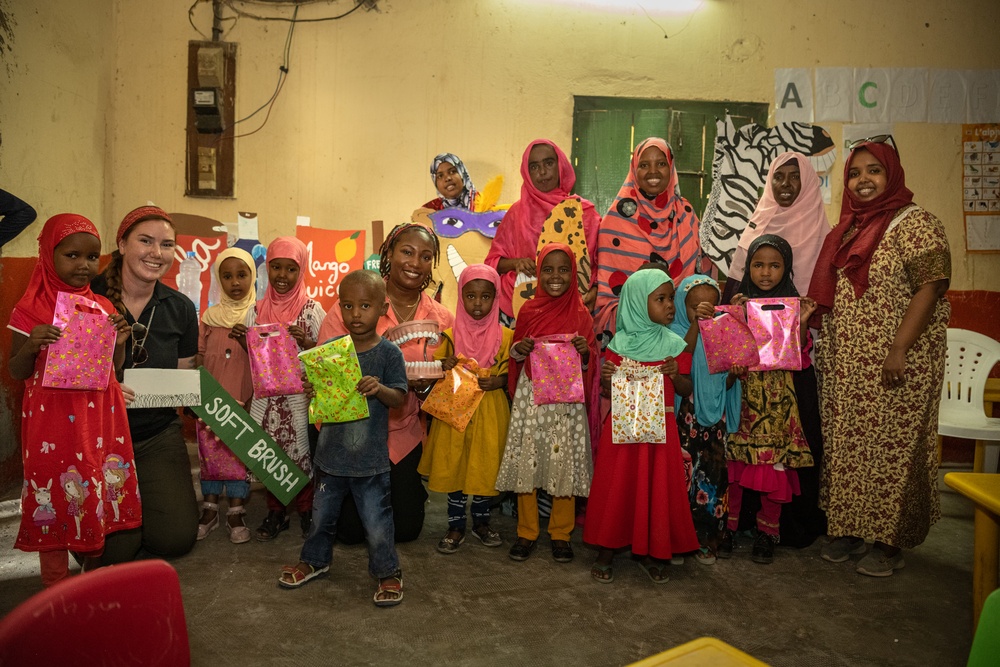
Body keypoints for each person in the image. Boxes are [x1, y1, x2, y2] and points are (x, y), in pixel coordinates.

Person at [809, 138, 950, 577]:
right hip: (847, 363)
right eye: (855, 173)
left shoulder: (918, 224)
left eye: (874, 171)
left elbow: (931, 287)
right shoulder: (848, 227)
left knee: (893, 447)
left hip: (897, 362)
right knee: (849, 445)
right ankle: (850, 529)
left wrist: (898, 348)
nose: (863, 180)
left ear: (892, 175)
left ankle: (890, 542)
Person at [8, 214, 140, 586]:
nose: (84, 265)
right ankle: (56, 586)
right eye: (72, 255)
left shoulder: (103, 306)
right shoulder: (30, 309)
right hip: (51, 424)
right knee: (54, 492)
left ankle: (89, 579)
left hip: (97, 421)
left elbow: (113, 369)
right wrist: (32, 345)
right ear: (50, 256)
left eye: (92, 257)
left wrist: (121, 341)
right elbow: (17, 371)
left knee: (95, 486)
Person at [278, 271, 408, 606]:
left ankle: (388, 571)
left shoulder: (389, 354)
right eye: (348, 305)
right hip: (330, 457)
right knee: (321, 517)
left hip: (370, 462)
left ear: (383, 307)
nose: (355, 314)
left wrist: (379, 388)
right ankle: (315, 561)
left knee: (377, 523)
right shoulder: (329, 351)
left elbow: (400, 399)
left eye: (365, 305)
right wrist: (312, 390)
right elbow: (320, 399)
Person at [318, 222, 454, 543]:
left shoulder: (443, 318)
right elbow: (326, 370)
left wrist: (430, 388)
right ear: (389, 253)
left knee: (406, 530)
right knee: (349, 533)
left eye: (425, 256)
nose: (414, 263)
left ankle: (401, 492)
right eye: (407, 252)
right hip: (354, 430)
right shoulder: (353, 303)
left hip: (404, 433)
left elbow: (453, 380)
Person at [92, 205, 200, 564]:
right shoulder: (86, 298)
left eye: (167, 245)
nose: (157, 253)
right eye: (145, 241)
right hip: (97, 434)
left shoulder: (181, 308)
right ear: (122, 244)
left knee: (176, 539)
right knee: (113, 548)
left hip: (156, 433)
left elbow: (183, 376)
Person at [584, 270, 700, 583]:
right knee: (619, 485)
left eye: (670, 299)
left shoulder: (675, 345)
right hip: (622, 431)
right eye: (660, 299)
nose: (670, 306)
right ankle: (606, 550)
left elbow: (687, 389)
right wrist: (608, 381)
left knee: (654, 488)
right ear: (637, 303)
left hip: (660, 433)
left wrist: (676, 375)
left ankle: (652, 551)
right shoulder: (619, 345)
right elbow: (609, 393)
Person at [495, 243, 596, 564]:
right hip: (532, 398)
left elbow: (590, 365)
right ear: (538, 273)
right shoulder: (528, 311)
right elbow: (513, 359)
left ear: (573, 274)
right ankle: (526, 532)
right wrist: (520, 350)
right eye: (548, 269)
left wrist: (583, 354)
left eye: (563, 269)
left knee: (562, 461)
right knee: (530, 459)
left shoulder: (581, 314)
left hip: (566, 405)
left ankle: (561, 533)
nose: (555, 276)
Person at [723, 234, 817, 565]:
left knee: (773, 469)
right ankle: (729, 527)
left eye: (775, 266)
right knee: (737, 466)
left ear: (786, 269)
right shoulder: (737, 303)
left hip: (778, 405)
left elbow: (800, 360)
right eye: (758, 265)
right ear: (748, 268)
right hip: (743, 401)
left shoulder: (792, 304)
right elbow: (726, 352)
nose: (765, 272)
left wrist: (802, 322)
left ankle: (768, 533)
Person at [233, 237, 325, 541]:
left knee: (304, 455)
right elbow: (257, 361)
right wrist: (242, 341)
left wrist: (308, 343)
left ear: (302, 271)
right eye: (276, 267)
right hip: (267, 402)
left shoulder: (312, 311)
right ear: (266, 268)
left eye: (290, 269)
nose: (282, 276)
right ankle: (276, 511)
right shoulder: (256, 312)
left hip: (301, 400)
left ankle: (306, 510)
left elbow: (326, 356)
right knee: (270, 456)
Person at [419, 264, 512, 554]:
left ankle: (481, 522)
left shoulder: (506, 336)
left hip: (489, 413)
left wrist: (501, 381)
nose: (478, 303)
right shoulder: (449, 335)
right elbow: (434, 370)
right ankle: (456, 524)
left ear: (495, 298)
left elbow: (514, 372)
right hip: (456, 412)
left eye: (486, 297)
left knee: (483, 466)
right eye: (470, 296)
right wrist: (442, 366)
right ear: (461, 297)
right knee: (456, 465)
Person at [594, 138, 701, 349]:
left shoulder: (686, 215)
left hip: (680, 333)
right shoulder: (615, 222)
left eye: (661, 163)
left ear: (671, 167)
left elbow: (697, 279)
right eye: (644, 165)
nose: (653, 171)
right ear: (634, 169)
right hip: (630, 340)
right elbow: (609, 295)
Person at [484, 139, 600, 326]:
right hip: (518, 307)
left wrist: (595, 289)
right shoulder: (516, 213)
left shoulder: (583, 212)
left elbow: (599, 262)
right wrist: (517, 263)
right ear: (526, 173)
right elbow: (492, 264)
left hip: (571, 307)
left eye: (548, 163)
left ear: (560, 165)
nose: (543, 172)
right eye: (534, 167)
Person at [668, 274, 741, 564]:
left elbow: (723, 384)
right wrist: (697, 325)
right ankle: (677, 540)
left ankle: (708, 541)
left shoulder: (723, 335)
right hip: (684, 422)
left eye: (709, 307)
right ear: (679, 305)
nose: (702, 311)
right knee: (680, 481)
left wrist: (734, 374)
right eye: (694, 307)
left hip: (714, 425)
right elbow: (682, 361)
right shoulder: (673, 333)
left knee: (712, 483)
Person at [194, 248, 256, 544]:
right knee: (209, 454)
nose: (235, 282)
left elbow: (265, 362)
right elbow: (199, 355)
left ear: (253, 277)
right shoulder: (209, 317)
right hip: (211, 401)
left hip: (243, 399)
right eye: (227, 276)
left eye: (242, 275)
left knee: (237, 455)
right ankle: (209, 509)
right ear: (218, 280)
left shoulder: (256, 315)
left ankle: (236, 511)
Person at [721, 151, 829, 304]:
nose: (785, 183)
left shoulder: (822, 234)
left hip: (806, 321)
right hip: (752, 321)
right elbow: (736, 286)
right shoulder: (758, 225)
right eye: (778, 177)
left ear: (808, 182)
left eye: (795, 177)